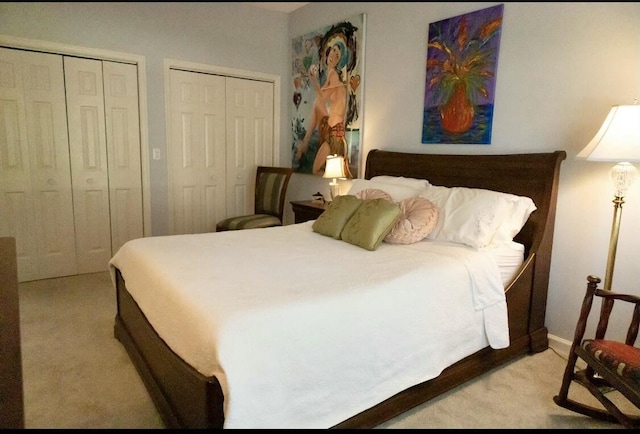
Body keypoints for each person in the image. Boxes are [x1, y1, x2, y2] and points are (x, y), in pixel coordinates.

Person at [295, 43, 353, 178]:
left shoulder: (334, 76)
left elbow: (322, 97)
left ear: (340, 61)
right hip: (332, 132)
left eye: (337, 56)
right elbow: (322, 101)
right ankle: (305, 142)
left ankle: (305, 143)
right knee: (316, 106)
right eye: (333, 51)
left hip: (335, 136)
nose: (333, 56)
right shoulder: (330, 77)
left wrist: (313, 80)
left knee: (316, 170)